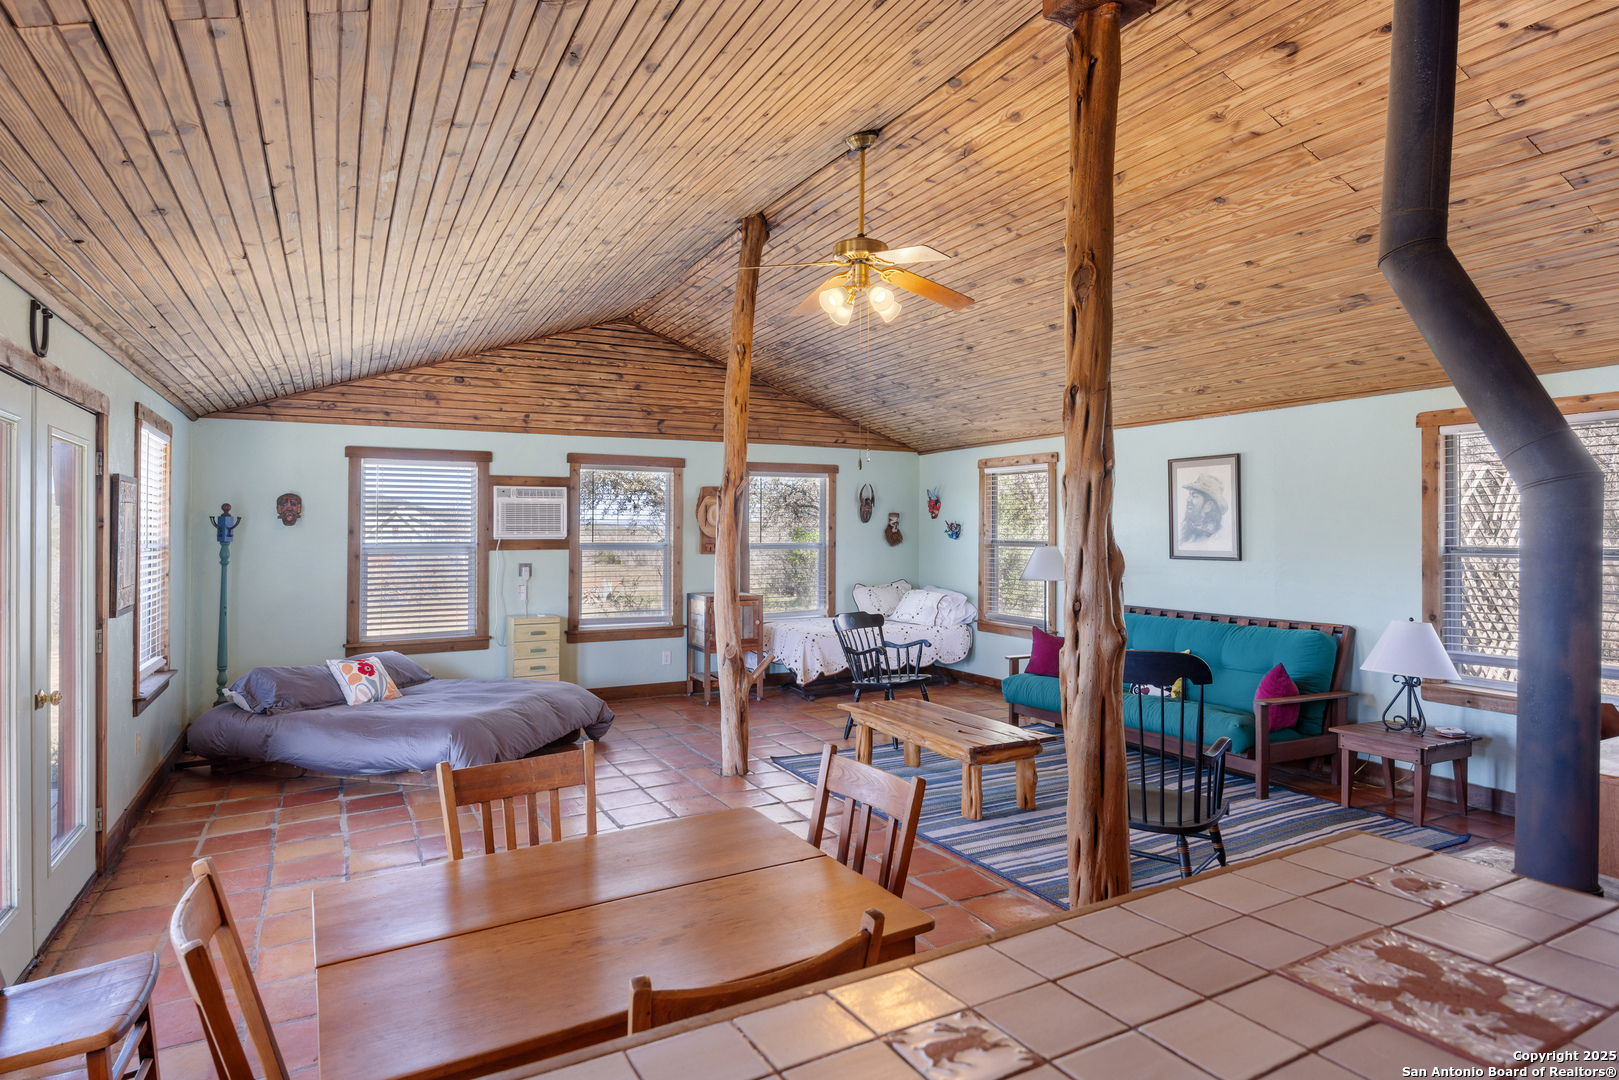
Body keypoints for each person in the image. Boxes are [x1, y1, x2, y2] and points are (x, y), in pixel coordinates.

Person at [1180, 472, 1228, 545]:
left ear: (1208, 506)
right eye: (1189, 495)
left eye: (1194, 496)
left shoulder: (1219, 537)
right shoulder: (1184, 530)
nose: (1188, 499)